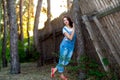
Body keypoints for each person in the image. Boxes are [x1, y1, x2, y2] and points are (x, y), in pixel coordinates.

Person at [51, 16, 76, 80]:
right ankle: (61, 75)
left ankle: (55, 69)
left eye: (66, 20)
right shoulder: (64, 29)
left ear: (69, 20)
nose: (65, 21)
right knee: (62, 60)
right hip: (64, 46)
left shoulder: (72, 26)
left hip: (71, 46)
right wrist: (73, 29)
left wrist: (73, 28)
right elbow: (70, 38)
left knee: (66, 61)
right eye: (64, 20)